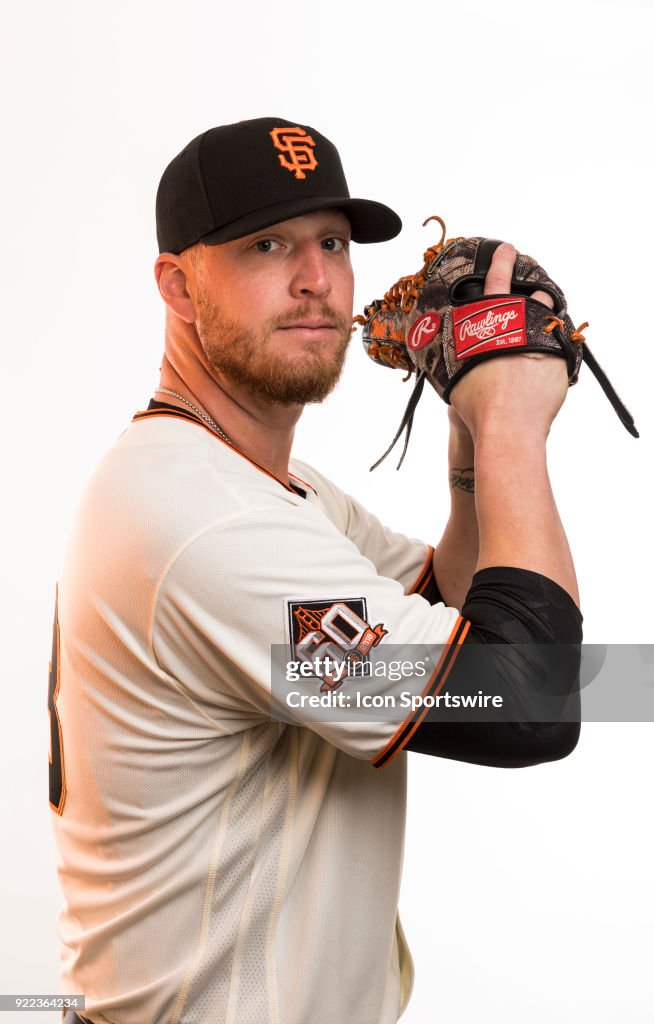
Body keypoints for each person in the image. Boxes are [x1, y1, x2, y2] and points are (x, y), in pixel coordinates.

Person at [49, 117, 582, 1024]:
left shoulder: (262, 488)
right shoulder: (205, 524)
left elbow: (446, 615)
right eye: (267, 244)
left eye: (332, 242)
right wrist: (511, 423)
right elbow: (522, 702)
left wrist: (466, 441)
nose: (317, 281)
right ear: (178, 285)